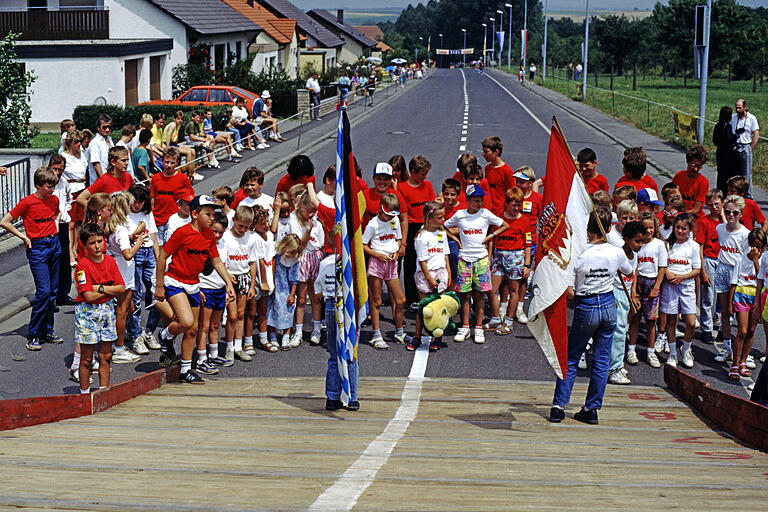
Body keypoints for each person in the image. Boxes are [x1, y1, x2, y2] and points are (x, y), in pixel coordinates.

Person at [549, 208, 634, 425]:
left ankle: (559, 406)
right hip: (607, 305)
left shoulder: (579, 254)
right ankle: (592, 408)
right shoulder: (615, 252)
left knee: (572, 357)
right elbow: (628, 271)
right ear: (608, 228)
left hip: (586, 305)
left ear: (588, 230)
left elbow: (569, 291)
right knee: (601, 360)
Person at [154, 195, 235, 384]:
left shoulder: (208, 235)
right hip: (175, 281)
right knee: (186, 321)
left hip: (193, 284)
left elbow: (215, 261)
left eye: (213, 214)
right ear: (195, 214)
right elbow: (162, 256)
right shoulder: (182, 233)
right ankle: (165, 336)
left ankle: (185, 370)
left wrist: (228, 284)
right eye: (207, 214)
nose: (211, 218)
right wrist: (159, 285)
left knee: (192, 330)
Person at [0, 167, 62, 350]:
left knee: (52, 292)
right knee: (43, 291)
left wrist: (56, 225)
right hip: (37, 248)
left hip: (54, 244)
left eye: (53, 186)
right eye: (48, 186)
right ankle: (33, 333)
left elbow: (57, 213)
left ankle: (47, 331)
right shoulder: (27, 202)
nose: (51, 190)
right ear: (38, 185)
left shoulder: (54, 199)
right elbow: (5, 221)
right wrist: (24, 237)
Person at [444, 184, 508, 345]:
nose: (479, 204)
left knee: (480, 295)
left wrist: (490, 236)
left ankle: (478, 327)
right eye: (476, 201)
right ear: (468, 200)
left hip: (481, 260)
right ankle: (465, 326)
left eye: (481, 200)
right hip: (464, 260)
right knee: (465, 295)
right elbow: (443, 226)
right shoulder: (459, 215)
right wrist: (457, 240)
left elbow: (505, 225)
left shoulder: (486, 214)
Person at [73, 222, 125, 392]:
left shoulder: (110, 261)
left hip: (107, 312)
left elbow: (121, 287)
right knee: (87, 359)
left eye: (100, 241)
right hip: (88, 315)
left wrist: (100, 288)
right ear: (85, 245)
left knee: (106, 356)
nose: (97, 246)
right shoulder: (82, 266)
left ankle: (104, 392)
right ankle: (84, 394)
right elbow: (88, 296)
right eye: (92, 243)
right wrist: (110, 293)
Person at [104, 191, 145, 364]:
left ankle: (116, 340)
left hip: (118, 269)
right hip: (123, 272)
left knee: (128, 308)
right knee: (122, 310)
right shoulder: (120, 229)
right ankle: (118, 347)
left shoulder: (112, 227)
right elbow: (128, 254)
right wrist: (138, 242)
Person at [363, 193, 406, 350]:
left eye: (392, 215)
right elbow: (363, 244)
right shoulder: (372, 224)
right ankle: (376, 335)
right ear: (381, 209)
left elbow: (399, 238)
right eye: (388, 215)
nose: (390, 218)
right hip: (377, 263)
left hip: (391, 262)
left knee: (400, 300)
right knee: (377, 301)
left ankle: (399, 332)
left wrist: (396, 249)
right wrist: (377, 255)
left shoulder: (394, 220)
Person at [487, 188, 531, 336]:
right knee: (492, 290)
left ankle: (509, 322)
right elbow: (492, 240)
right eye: (513, 205)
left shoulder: (524, 221)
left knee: (514, 291)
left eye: (519, 205)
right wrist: (489, 258)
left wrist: (526, 265)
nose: (516, 208)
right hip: (499, 257)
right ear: (506, 204)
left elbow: (527, 245)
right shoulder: (498, 219)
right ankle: (495, 319)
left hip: (515, 258)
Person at [410, 201, 451, 352]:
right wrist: (429, 279)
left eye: (443, 217)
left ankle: (438, 338)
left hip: (440, 272)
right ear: (429, 218)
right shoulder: (422, 237)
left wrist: (448, 272)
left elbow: (445, 254)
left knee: (439, 308)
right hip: (427, 274)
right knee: (424, 308)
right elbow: (422, 261)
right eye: (439, 217)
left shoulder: (442, 233)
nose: (442, 220)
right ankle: (417, 337)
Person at [661, 213, 700, 368]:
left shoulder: (694, 246)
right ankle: (672, 353)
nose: (680, 231)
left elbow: (697, 269)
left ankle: (686, 348)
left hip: (686, 286)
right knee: (671, 321)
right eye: (678, 227)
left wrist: (682, 277)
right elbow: (662, 265)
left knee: (690, 322)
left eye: (684, 228)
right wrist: (668, 273)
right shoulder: (667, 244)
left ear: (690, 229)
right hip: (670, 286)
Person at [607, 221, 644, 385]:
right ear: (627, 239)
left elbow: (634, 275)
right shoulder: (617, 254)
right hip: (615, 293)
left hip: (626, 294)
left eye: (642, 241)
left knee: (622, 330)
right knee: (618, 332)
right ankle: (614, 368)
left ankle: (615, 364)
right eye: (637, 241)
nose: (640, 245)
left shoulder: (635, 256)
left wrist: (634, 294)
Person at [126, 183, 161, 354]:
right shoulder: (124, 214)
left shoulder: (147, 213)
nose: (137, 204)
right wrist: (136, 232)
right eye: (135, 200)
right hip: (135, 253)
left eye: (140, 201)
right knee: (136, 296)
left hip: (149, 254)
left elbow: (153, 238)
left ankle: (149, 332)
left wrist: (159, 260)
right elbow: (123, 241)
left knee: (156, 294)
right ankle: (135, 335)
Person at [629, 212, 667, 367]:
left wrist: (656, 287)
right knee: (635, 317)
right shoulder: (637, 244)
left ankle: (651, 352)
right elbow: (635, 268)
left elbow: (662, 268)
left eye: (651, 227)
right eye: (645, 228)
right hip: (639, 282)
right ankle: (631, 350)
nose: (648, 231)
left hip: (652, 283)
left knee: (651, 321)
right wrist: (634, 290)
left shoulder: (659, 244)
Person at [288, 188, 325, 347]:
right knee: (301, 298)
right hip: (301, 257)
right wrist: (308, 230)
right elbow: (299, 245)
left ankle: (317, 329)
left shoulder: (316, 220)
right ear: (301, 206)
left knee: (316, 296)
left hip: (315, 257)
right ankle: (298, 332)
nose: (312, 215)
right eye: (309, 211)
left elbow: (321, 244)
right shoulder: (293, 221)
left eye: (314, 212)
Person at [222, 205, 259, 362]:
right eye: (240, 225)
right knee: (232, 315)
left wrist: (252, 285)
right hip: (230, 277)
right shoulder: (225, 237)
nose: (242, 229)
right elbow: (221, 261)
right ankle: (229, 348)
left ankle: (239, 346)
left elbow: (252, 263)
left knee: (241, 314)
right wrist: (226, 276)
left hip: (244, 278)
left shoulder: (250, 238)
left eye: (246, 227)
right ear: (234, 220)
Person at [399, 155, 436, 309]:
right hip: (411, 227)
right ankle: (412, 297)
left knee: (429, 261)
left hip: (426, 226)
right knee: (410, 265)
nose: (425, 177)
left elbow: (432, 206)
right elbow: (403, 213)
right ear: (413, 172)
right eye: (422, 174)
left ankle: (430, 293)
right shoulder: (402, 188)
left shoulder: (427, 185)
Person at [729, 228, 765, 379]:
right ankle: (735, 363)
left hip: (757, 296)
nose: (754, 249)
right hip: (742, 293)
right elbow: (733, 281)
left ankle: (743, 361)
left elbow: (761, 277)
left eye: (758, 246)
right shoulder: (741, 258)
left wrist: (756, 261)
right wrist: (730, 302)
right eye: (752, 245)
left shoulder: (764, 260)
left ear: (764, 246)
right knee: (742, 330)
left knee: (751, 331)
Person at [196, 211, 229, 374]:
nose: (217, 235)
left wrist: (228, 284)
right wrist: (198, 289)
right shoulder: (203, 243)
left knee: (215, 325)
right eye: (214, 231)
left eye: (221, 232)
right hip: (205, 289)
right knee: (204, 326)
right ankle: (201, 359)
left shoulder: (225, 244)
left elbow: (225, 267)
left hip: (219, 289)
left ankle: (214, 354)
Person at [150, 147, 193, 245]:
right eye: (166, 162)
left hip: (175, 220)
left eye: (172, 163)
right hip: (158, 220)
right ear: (162, 161)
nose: (169, 165)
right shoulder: (156, 178)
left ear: (177, 162)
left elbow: (190, 198)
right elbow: (152, 200)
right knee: (158, 247)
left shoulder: (183, 178)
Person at [697, 189, 724, 346]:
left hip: (724, 261)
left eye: (717, 204)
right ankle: (706, 329)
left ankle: (721, 328)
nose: (714, 207)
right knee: (708, 296)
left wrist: (724, 217)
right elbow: (700, 246)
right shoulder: (704, 222)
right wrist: (703, 270)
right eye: (711, 204)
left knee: (724, 296)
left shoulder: (726, 222)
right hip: (709, 259)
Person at [49, 154, 75, 307]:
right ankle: (52, 297)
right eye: (55, 169)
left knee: (65, 260)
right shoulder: (45, 181)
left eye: (61, 169)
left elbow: (69, 199)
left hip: (63, 224)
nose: (58, 172)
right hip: (50, 225)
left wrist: (65, 213)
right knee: (52, 261)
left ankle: (63, 294)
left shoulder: (64, 182)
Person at [268, 234, 302, 350]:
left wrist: (292, 294)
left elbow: (295, 279)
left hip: (286, 290)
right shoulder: (276, 256)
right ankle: (272, 336)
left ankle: (286, 337)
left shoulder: (294, 260)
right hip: (275, 287)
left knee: (288, 311)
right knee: (271, 311)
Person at [481, 136, 515, 216]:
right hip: (488, 211)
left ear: (496, 152)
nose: (483, 154)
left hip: (501, 213)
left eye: (486, 152)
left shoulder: (507, 171)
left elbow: (512, 194)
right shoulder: (487, 168)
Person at [732, 99, 760, 196]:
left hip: (746, 146)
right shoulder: (733, 118)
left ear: (745, 107)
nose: (738, 110)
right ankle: (735, 194)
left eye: (740, 108)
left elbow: (756, 134)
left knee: (747, 174)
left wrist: (751, 146)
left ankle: (748, 195)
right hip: (735, 146)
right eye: (736, 107)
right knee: (735, 173)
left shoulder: (751, 118)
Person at [672, 145, 709, 218]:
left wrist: (680, 215)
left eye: (699, 166)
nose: (695, 169)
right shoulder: (679, 176)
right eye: (693, 165)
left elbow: (696, 209)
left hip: (693, 218)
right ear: (687, 162)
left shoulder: (703, 182)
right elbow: (671, 198)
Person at [713, 106, 739, 195]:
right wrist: (734, 138)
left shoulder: (717, 125)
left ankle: (719, 193)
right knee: (728, 175)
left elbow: (715, 141)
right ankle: (727, 193)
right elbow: (728, 139)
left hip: (719, 152)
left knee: (720, 174)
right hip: (728, 154)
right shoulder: (727, 126)